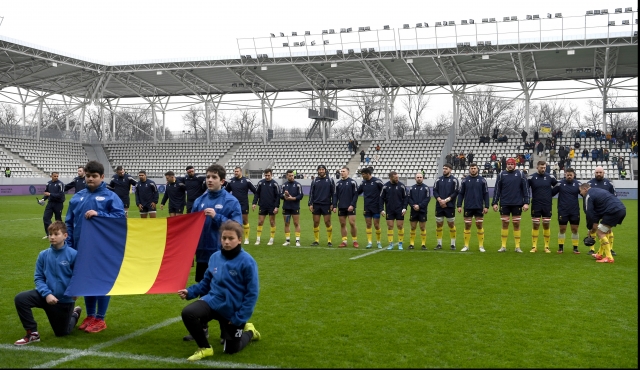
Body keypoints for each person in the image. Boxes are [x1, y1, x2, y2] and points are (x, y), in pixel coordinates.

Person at [178, 220, 260, 361]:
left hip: (232, 310)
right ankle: (205, 348)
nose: (226, 242)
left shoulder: (247, 261)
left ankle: (250, 332)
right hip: (213, 302)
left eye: (231, 238)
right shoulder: (215, 257)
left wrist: (239, 318)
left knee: (231, 350)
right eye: (224, 238)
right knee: (188, 313)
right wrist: (190, 291)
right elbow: (206, 282)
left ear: (239, 240)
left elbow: (252, 293)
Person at [65, 160, 125, 334]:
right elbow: (69, 222)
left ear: (102, 177)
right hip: (79, 246)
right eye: (88, 176)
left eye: (94, 176)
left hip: (102, 248)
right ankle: (90, 315)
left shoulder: (110, 197)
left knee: (101, 281)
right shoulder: (77, 197)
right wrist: (69, 245)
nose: (90, 179)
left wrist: (100, 214)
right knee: (87, 281)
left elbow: (120, 218)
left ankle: (100, 318)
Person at [185, 164, 242, 342]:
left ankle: (227, 331)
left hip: (223, 255)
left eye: (214, 177)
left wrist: (217, 216)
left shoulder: (231, 201)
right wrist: (189, 252)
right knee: (205, 293)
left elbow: (237, 227)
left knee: (225, 293)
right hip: (203, 254)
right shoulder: (199, 200)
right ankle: (202, 329)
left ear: (222, 181)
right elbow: (190, 228)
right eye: (208, 177)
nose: (209, 180)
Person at [13, 221, 82, 346]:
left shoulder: (74, 254)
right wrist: (47, 294)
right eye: (50, 234)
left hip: (63, 300)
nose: (52, 237)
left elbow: (78, 276)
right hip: (45, 296)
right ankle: (32, 333)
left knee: (62, 333)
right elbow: (38, 277)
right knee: (21, 298)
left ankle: (74, 314)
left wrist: (75, 290)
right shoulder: (43, 255)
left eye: (56, 234)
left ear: (65, 236)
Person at [579, 183, 626, 263]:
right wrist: (594, 224)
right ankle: (599, 254)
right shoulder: (598, 190)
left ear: (585, 189)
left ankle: (609, 258)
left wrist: (590, 228)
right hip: (621, 209)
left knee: (600, 232)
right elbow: (597, 212)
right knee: (605, 231)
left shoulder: (588, 195)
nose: (580, 193)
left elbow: (589, 213)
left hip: (612, 211)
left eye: (580, 191)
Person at [492, 158, 530, 253]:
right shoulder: (501, 175)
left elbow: (526, 190)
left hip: (517, 203)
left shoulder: (520, 175)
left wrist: (526, 202)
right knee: (505, 224)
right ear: (506, 165)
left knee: (516, 224)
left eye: (511, 164)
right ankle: (503, 246)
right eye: (508, 164)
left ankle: (517, 246)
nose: (510, 165)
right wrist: (495, 202)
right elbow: (497, 190)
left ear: (515, 165)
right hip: (504, 203)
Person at [456, 163, 489, 252]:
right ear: (469, 169)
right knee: (467, 225)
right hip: (468, 206)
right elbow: (461, 194)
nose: (473, 170)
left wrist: (486, 206)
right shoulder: (465, 180)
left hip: (479, 206)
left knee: (479, 225)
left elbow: (486, 194)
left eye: (474, 168)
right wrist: (459, 205)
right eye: (471, 168)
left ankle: (481, 246)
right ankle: (466, 245)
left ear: (477, 169)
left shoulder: (482, 180)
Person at [527, 161, 557, 253]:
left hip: (547, 204)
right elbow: (526, 189)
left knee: (546, 225)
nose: (543, 169)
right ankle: (534, 246)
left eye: (544, 167)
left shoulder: (550, 177)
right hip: (536, 204)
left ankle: (546, 247)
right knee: (535, 225)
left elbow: (557, 186)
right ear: (537, 167)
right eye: (541, 167)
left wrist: (550, 194)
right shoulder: (531, 177)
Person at [587, 166, 617, 256]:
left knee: (608, 229)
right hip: (595, 210)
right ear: (594, 173)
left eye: (600, 172)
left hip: (606, 210)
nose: (599, 174)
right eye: (597, 172)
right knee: (594, 228)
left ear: (604, 173)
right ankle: (592, 249)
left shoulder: (609, 183)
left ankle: (610, 249)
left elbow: (614, 196)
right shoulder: (590, 183)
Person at [551, 168, 582, 254]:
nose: (569, 176)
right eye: (567, 175)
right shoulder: (560, 184)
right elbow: (551, 193)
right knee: (562, 229)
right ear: (565, 175)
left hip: (575, 210)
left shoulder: (578, 184)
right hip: (563, 210)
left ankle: (575, 248)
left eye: (570, 175)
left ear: (574, 175)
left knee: (575, 229)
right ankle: (560, 247)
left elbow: (584, 194)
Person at [225, 167, 257, 245]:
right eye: (235, 171)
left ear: (241, 172)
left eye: (237, 171)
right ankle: (236, 238)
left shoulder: (246, 180)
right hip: (234, 205)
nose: (236, 173)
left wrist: (254, 203)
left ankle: (246, 238)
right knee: (234, 222)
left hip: (244, 204)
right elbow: (225, 192)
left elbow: (255, 191)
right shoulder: (231, 181)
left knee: (245, 221)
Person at [433, 164, 460, 250]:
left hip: (450, 205)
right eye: (443, 168)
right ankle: (439, 244)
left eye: (446, 169)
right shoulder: (438, 179)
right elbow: (434, 191)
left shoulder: (454, 180)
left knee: (451, 224)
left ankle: (453, 244)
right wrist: (440, 200)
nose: (444, 170)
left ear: (450, 170)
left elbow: (456, 192)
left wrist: (446, 200)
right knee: (439, 224)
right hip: (439, 205)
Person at [308, 165, 335, 246]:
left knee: (327, 222)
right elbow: (311, 193)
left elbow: (333, 193)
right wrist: (310, 204)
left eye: (323, 169)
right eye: (320, 169)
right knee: (316, 222)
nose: (321, 171)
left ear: (325, 170)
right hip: (316, 204)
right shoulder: (315, 180)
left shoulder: (330, 180)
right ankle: (316, 240)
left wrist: (333, 204)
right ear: (318, 171)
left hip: (326, 204)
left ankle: (329, 241)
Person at [252, 169, 280, 245]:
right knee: (260, 222)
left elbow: (278, 196)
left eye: (268, 175)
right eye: (266, 175)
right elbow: (257, 193)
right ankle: (258, 239)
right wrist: (254, 203)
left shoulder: (275, 184)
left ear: (272, 175)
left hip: (272, 206)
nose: (267, 177)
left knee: (272, 222)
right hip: (262, 205)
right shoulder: (261, 183)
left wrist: (276, 207)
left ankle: (271, 239)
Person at [357, 167, 384, 249]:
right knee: (368, 224)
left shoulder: (377, 181)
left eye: (363, 174)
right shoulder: (363, 183)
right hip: (367, 207)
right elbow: (357, 192)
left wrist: (382, 206)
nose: (362, 176)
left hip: (376, 207)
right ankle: (369, 242)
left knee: (376, 225)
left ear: (368, 174)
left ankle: (378, 242)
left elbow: (384, 192)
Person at [380, 171, 407, 250]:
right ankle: (390, 243)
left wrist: (404, 208)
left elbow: (406, 198)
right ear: (391, 178)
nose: (397, 179)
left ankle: (400, 243)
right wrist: (381, 209)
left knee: (400, 226)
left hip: (399, 209)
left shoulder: (402, 186)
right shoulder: (385, 186)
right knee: (390, 226)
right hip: (389, 210)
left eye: (398, 177)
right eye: (395, 178)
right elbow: (381, 198)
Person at [333, 166, 359, 248]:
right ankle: (344, 241)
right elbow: (335, 195)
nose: (342, 172)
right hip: (341, 206)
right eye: (341, 171)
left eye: (343, 171)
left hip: (350, 206)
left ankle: (355, 241)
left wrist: (352, 205)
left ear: (348, 172)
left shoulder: (352, 182)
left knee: (352, 223)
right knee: (342, 224)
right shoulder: (338, 183)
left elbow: (356, 195)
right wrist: (334, 205)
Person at [407, 172, 430, 250]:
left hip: (422, 210)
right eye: (418, 177)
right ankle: (411, 244)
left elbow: (427, 199)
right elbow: (409, 198)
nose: (419, 178)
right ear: (415, 178)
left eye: (420, 177)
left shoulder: (426, 188)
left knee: (422, 227)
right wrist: (413, 206)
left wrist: (419, 206)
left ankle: (423, 244)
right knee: (413, 227)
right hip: (413, 210)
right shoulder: (411, 188)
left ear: (423, 178)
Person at [281, 169, 303, 246]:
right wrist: (285, 195)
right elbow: (280, 195)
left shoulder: (298, 185)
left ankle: (297, 240)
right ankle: (287, 240)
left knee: (296, 223)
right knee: (287, 223)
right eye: (290, 176)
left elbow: (300, 195)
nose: (291, 177)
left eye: (292, 175)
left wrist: (293, 198)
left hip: (295, 207)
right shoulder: (284, 185)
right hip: (286, 207)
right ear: (287, 176)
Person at [40, 172, 65, 240]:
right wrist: (42, 199)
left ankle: (61, 234)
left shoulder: (60, 184)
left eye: (57, 176)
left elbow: (60, 195)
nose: (56, 177)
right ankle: (49, 234)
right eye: (55, 176)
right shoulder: (48, 183)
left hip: (58, 203)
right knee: (46, 218)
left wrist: (50, 194)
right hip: (50, 203)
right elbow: (46, 193)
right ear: (51, 176)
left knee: (58, 220)